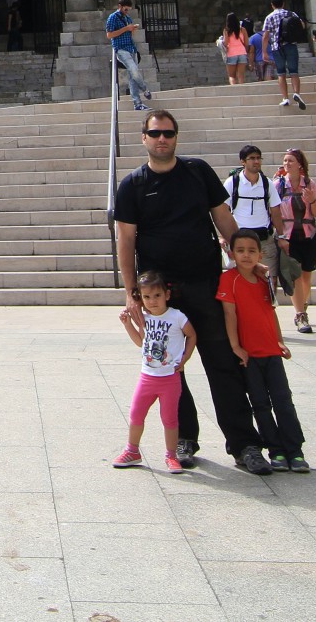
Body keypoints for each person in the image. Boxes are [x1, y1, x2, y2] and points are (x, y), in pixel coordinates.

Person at [111, 108, 262, 471]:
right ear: (143, 138)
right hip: (162, 295)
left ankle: (243, 444)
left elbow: (222, 216)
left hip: (205, 283)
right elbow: (126, 239)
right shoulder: (133, 184)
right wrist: (131, 292)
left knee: (222, 362)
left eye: (169, 133)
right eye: (155, 133)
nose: (162, 139)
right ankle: (183, 439)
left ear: (176, 137)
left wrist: (244, 256)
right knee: (168, 367)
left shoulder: (197, 171)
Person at [219, 231, 309, 474]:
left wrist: (280, 341)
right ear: (232, 254)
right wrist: (236, 346)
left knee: (284, 402)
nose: (246, 255)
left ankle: (295, 450)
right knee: (260, 404)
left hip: (271, 352)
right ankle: (275, 450)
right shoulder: (229, 279)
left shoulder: (264, 279)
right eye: (240, 250)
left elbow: (271, 311)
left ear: (260, 254)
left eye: (251, 250)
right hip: (250, 355)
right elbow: (230, 314)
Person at [112, 270, 197, 472]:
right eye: (147, 297)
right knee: (136, 414)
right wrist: (128, 325)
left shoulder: (177, 317)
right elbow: (141, 343)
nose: (152, 301)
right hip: (147, 377)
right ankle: (132, 450)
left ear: (166, 295)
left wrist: (185, 358)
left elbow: (192, 336)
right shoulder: (145, 318)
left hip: (170, 378)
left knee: (169, 419)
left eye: (157, 296)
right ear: (140, 298)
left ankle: (171, 455)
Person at [224, 144, 284, 294]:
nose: (256, 161)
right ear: (243, 162)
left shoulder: (267, 183)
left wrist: (282, 236)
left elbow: (276, 211)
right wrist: (223, 236)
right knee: (241, 279)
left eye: (258, 158)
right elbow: (223, 211)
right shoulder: (232, 182)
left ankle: (268, 310)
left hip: (264, 239)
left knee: (270, 278)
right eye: (252, 158)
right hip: (240, 239)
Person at [275, 148, 316, 334]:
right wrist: (279, 235)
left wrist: (311, 201)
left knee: (306, 276)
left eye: (291, 161)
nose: (287, 164)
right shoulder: (278, 184)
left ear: (300, 164)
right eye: (285, 160)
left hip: (308, 235)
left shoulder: (310, 184)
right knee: (296, 276)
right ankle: (300, 314)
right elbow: (274, 211)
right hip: (288, 236)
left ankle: (302, 304)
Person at [260, 0, 307, 111]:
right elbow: (302, 26)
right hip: (291, 45)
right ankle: (297, 93)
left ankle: (285, 98)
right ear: (283, 3)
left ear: (272, 5)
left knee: (281, 73)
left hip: (277, 47)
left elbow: (265, 36)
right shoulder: (291, 14)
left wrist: (264, 51)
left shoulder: (269, 17)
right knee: (294, 72)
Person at [106, 0, 148, 111]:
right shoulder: (113, 18)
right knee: (134, 70)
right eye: (125, 9)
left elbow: (129, 34)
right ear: (120, 7)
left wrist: (132, 29)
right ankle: (145, 89)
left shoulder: (128, 17)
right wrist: (126, 28)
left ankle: (137, 104)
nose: (127, 12)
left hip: (131, 48)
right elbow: (109, 35)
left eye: (128, 10)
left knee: (133, 77)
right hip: (121, 49)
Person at [219, 15, 249, 86]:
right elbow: (247, 43)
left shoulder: (226, 30)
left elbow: (226, 43)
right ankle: (242, 89)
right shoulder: (243, 29)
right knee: (241, 75)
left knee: (232, 76)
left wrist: (220, 41)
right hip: (242, 53)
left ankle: (234, 89)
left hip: (231, 53)